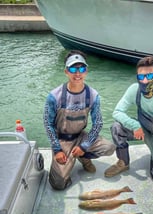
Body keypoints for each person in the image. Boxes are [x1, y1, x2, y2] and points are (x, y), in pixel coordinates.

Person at [43, 50, 116, 190]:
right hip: (62, 140)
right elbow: (48, 124)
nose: (78, 74)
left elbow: (98, 123)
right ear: (66, 71)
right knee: (58, 184)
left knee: (110, 147)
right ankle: (69, 162)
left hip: (81, 137)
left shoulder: (93, 95)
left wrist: (84, 145)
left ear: (86, 71)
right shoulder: (53, 96)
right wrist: (57, 149)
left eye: (82, 68)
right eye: (73, 69)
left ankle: (84, 157)